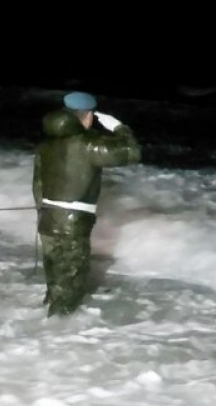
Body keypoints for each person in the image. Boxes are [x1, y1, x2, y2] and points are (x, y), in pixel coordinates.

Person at [32, 91, 141, 316]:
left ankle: (42, 325)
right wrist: (120, 128)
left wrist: (44, 212)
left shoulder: (46, 146)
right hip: (72, 226)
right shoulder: (88, 144)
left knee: (56, 284)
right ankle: (55, 336)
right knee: (71, 286)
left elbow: (38, 185)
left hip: (48, 221)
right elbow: (132, 153)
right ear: (88, 116)